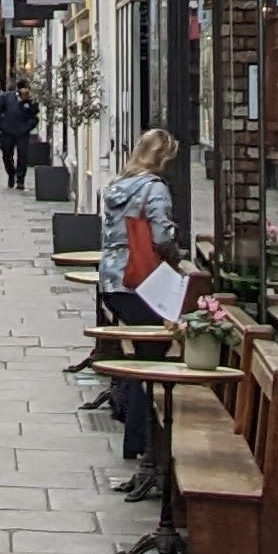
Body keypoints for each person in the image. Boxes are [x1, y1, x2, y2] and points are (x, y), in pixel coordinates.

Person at [96, 129, 181, 492]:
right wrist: (176, 255)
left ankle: (139, 443)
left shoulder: (119, 186)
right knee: (152, 360)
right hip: (140, 279)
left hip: (113, 280)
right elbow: (161, 237)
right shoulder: (154, 189)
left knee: (143, 357)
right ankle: (148, 449)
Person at [0, 78, 41, 189]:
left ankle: (20, 180)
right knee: (6, 155)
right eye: (23, 88)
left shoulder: (31, 101)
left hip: (22, 133)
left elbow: (35, 117)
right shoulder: (7, 97)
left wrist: (27, 127)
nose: (24, 91)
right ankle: (11, 173)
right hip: (7, 132)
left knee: (23, 156)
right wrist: (2, 124)